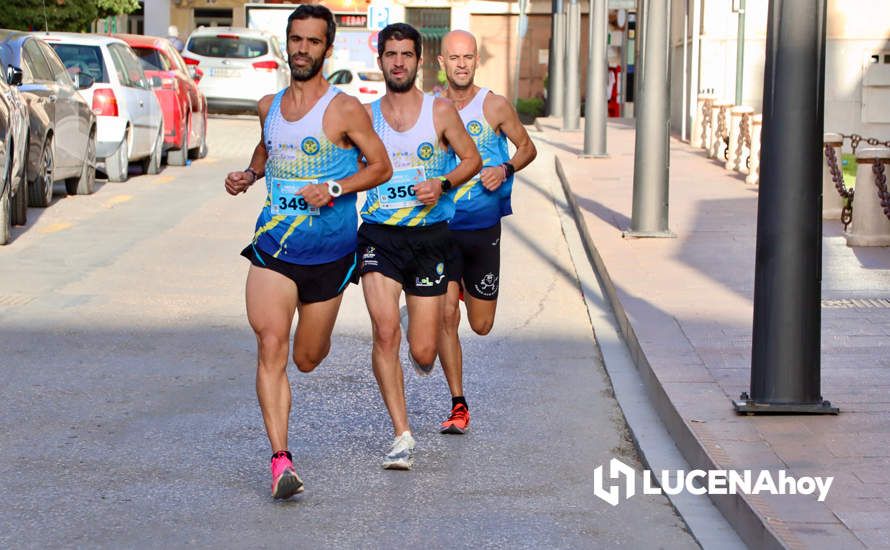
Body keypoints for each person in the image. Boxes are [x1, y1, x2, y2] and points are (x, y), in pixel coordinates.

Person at [224, 5, 391, 499]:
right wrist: (251, 175)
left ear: (327, 49)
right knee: (270, 344)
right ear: (287, 44)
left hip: (331, 254)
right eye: (296, 40)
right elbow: (267, 146)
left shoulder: (344, 109)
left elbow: (379, 167)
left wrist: (336, 187)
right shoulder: (268, 105)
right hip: (273, 245)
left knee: (308, 357)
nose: (302, 49)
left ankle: (311, 345)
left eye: (312, 42)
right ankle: (281, 460)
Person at [357, 23, 481, 470]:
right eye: (390, 54)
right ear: (380, 61)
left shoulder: (441, 111)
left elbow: (472, 159)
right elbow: (344, 165)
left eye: (406, 55)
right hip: (379, 236)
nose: (398, 62)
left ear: (419, 61)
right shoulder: (364, 116)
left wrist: (442, 183)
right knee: (384, 331)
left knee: (423, 353)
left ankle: (416, 317)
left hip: (430, 238)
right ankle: (401, 435)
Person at [434, 30, 537, 434]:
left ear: (476, 61)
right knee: (446, 317)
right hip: (439, 229)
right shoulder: (430, 107)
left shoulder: (493, 105)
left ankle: (462, 287)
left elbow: (527, 147)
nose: (461, 64)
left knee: (480, 324)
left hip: (482, 229)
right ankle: (458, 404)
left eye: (468, 57)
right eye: (453, 57)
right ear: (441, 63)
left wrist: (505, 168)